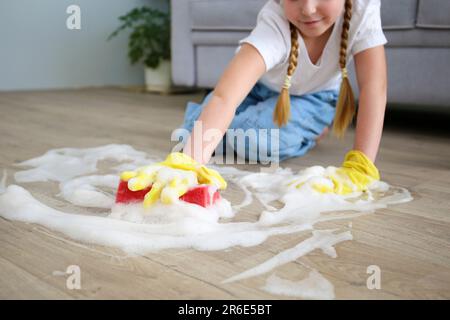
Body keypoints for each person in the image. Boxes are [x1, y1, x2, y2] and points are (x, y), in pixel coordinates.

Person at [177, 0, 387, 194]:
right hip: (258, 88)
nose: (308, 9)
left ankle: (309, 132)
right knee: (186, 138)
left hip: (312, 98)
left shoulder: (363, 8)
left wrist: (362, 163)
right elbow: (225, 97)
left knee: (249, 137)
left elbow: (374, 86)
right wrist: (188, 165)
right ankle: (251, 125)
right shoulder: (274, 21)